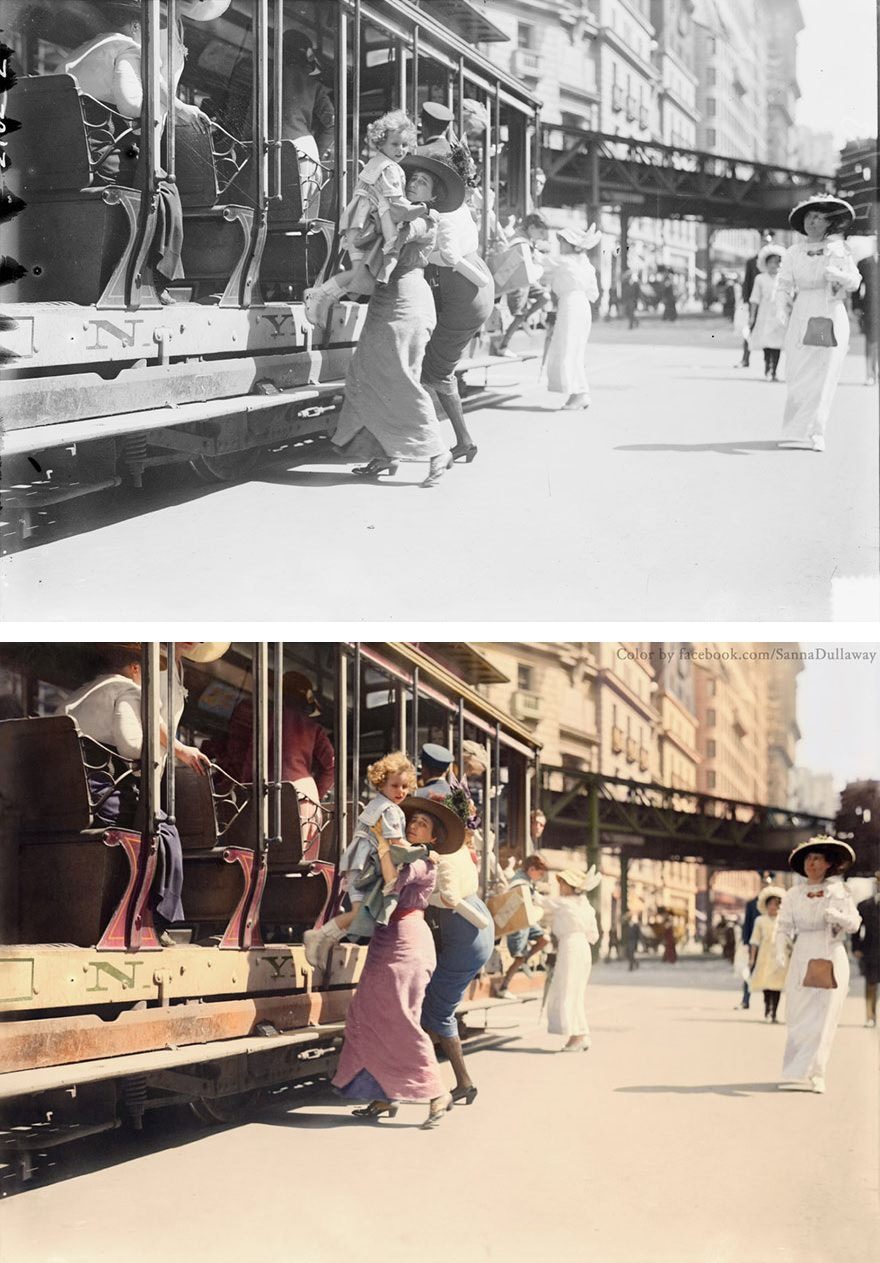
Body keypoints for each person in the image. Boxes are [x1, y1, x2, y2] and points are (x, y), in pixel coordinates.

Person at [61, 641, 224, 943]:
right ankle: (153, 920)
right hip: (98, 796)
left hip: (62, 795)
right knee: (163, 828)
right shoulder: (128, 689)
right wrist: (171, 750)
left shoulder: (80, 694)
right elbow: (132, 746)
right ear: (137, 668)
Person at [330, 153, 467, 488]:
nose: (413, 183)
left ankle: (437, 451)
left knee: (399, 377)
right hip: (387, 299)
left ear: (433, 196)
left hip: (408, 301)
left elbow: (402, 231)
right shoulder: (401, 213)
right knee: (365, 372)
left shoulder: (427, 218)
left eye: (422, 182)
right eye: (412, 178)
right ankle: (385, 452)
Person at [331, 813, 451, 1129]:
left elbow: (390, 882)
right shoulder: (406, 855)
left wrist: (383, 843)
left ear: (433, 838)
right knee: (365, 1013)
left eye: (424, 824)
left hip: (409, 941)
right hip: (386, 938)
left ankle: (437, 1091)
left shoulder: (425, 862)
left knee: (402, 1017)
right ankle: (385, 1092)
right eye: (413, 821)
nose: (414, 825)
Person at [304, 110, 432, 324]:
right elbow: (397, 207)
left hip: (359, 223)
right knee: (360, 276)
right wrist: (423, 209)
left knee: (360, 275)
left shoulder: (377, 162)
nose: (400, 150)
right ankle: (319, 295)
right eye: (395, 144)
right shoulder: (390, 168)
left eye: (404, 145)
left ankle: (324, 299)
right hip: (368, 227)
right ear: (381, 143)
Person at [303, 751, 423, 969]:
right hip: (365, 865)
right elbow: (396, 843)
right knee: (361, 913)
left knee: (361, 914)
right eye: (394, 785)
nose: (400, 791)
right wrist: (423, 852)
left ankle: (323, 941)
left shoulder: (378, 804)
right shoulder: (390, 810)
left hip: (357, 863)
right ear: (381, 783)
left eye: (405, 787)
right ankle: (318, 937)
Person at [419, 144, 495, 465]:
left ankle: (460, 440)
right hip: (475, 287)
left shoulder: (445, 214)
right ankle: (462, 440)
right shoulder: (461, 206)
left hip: (464, 292)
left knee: (434, 371)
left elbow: (448, 257)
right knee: (439, 368)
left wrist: (420, 253)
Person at [418, 796, 494, 1105]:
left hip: (464, 935)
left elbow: (448, 897)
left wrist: (421, 897)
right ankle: (450, 1080)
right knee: (435, 1008)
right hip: (476, 926)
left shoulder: (445, 856)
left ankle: (460, 1082)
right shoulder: (461, 849)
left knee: (437, 1010)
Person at [776, 195, 861, 451]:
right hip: (802, 312)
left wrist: (840, 275)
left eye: (819, 218)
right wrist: (781, 304)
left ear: (828, 223)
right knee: (799, 371)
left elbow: (855, 281)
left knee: (825, 372)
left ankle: (817, 431)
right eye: (809, 217)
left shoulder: (839, 250)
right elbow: (784, 283)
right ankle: (799, 426)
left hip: (829, 310)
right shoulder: (793, 252)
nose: (813, 222)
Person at [776, 837, 861, 1092]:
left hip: (830, 953)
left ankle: (818, 1073)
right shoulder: (793, 894)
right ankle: (797, 1069)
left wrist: (837, 916)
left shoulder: (838, 892)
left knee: (825, 1016)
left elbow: (854, 923)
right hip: (803, 953)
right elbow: (784, 927)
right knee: (799, 1014)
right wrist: (780, 949)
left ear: (828, 864)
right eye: (808, 859)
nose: (811, 864)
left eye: (817, 859)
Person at [218, 670, 334, 852]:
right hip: (308, 798)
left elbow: (255, 757)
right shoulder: (315, 728)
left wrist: (246, 788)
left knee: (272, 861)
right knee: (303, 866)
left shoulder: (270, 719)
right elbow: (332, 766)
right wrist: (316, 795)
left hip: (276, 796)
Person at [542, 224, 600, 410]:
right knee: (575, 350)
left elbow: (539, 264)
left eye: (563, 241)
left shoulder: (564, 261)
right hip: (583, 306)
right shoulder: (587, 265)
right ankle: (578, 393)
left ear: (572, 245)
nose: (560, 244)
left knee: (567, 349)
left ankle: (579, 394)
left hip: (570, 306)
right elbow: (594, 294)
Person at [544, 866, 601, 1051]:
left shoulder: (564, 903)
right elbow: (594, 936)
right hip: (582, 947)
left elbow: (539, 902)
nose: (560, 886)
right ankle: (581, 1034)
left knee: (567, 991)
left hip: (570, 947)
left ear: (570, 886)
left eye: (562, 883)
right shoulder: (587, 906)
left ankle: (577, 1037)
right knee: (576, 992)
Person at [280, 26, 335, 213]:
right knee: (304, 219)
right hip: (308, 152)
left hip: (279, 151)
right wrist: (317, 153)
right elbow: (332, 123)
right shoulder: (315, 85)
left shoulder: (271, 76)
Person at [494, 211, 553, 355]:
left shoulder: (524, 238)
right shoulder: (520, 242)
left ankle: (525, 318)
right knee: (519, 314)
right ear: (531, 227)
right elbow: (511, 266)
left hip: (525, 282)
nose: (542, 236)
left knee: (545, 297)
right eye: (540, 232)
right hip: (517, 283)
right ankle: (503, 346)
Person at [493, 853, 551, 997]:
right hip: (518, 923)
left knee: (544, 939)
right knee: (518, 956)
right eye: (540, 873)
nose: (541, 876)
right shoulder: (521, 883)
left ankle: (525, 960)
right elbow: (512, 906)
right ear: (532, 869)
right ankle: (503, 987)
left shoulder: (524, 879)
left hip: (526, 921)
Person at [748, 886, 788, 1022]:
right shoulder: (760, 920)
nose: (773, 907)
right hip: (765, 955)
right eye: (770, 904)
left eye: (776, 904)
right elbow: (754, 940)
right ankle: (767, 1011)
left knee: (777, 985)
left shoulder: (784, 921)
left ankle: (775, 1013)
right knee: (767, 984)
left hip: (779, 955)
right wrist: (752, 958)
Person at [737, 230, 776, 367]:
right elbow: (747, 282)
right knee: (749, 329)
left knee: (772, 330)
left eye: (768, 241)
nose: (766, 244)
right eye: (764, 241)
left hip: (770, 303)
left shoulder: (776, 262)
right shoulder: (751, 262)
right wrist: (746, 301)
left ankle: (770, 363)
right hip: (755, 302)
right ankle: (745, 358)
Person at [748, 245, 787, 381]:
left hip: (779, 313)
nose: (774, 265)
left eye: (777, 262)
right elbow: (754, 298)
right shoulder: (760, 278)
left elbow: (790, 296)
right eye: (771, 262)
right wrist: (752, 316)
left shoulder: (784, 278)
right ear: (766, 264)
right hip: (765, 313)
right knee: (767, 343)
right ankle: (767, 367)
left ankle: (774, 370)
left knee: (777, 343)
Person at [852, 872, 880, 1028]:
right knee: (871, 984)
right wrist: (856, 947)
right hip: (871, 951)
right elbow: (856, 929)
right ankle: (870, 1016)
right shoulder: (864, 906)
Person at [852, 246, 879, 386]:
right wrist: (856, 306)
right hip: (871, 308)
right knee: (871, 341)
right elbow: (856, 287)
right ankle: (870, 374)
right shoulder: (865, 263)